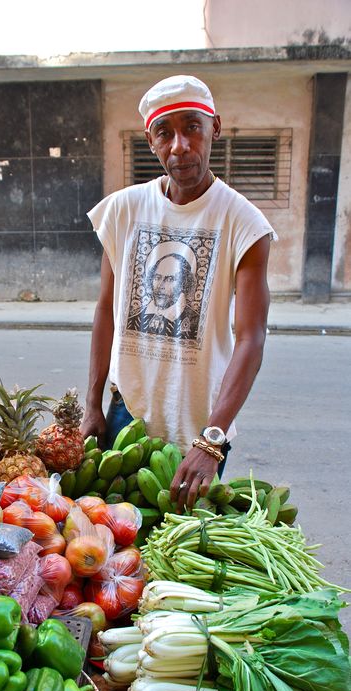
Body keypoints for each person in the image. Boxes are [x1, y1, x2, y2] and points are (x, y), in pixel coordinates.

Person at [81, 74, 277, 510]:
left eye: (192, 127)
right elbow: (106, 310)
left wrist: (212, 439)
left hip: (202, 423)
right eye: (164, 133)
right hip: (125, 410)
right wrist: (92, 404)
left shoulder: (244, 224)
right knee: (119, 547)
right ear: (150, 141)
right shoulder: (123, 210)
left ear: (215, 128)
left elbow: (251, 338)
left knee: (181, 552)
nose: (179, 146)